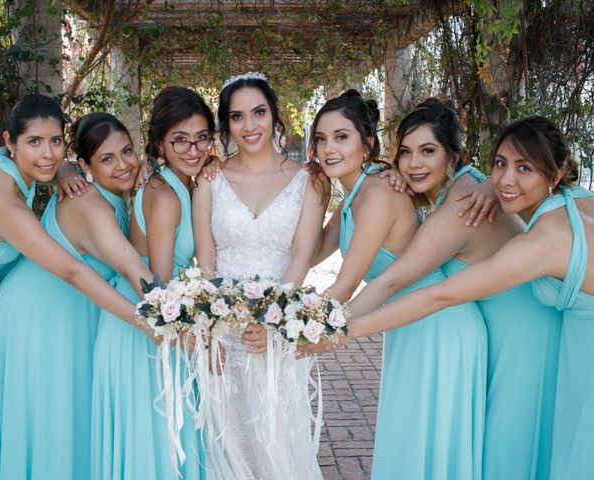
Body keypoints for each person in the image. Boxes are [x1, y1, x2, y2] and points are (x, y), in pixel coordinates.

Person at [306, 116, 593, 479]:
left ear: (453, 154)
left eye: (428, 151)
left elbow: (415, 289)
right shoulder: (549, 197)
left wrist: (341, 330)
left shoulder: (468, 209)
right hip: (526, 338)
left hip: (526, 347)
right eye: (405, 153)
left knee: (514, 453)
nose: (413, 163)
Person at [0, 95, 148, 480]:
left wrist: (63, 171)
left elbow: (49, 163)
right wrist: (147, 321)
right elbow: (73, 272)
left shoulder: (11, 163)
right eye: (34, 142)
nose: (47, 153)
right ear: (10, 142)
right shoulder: (1, 200)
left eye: (55, 141)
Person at [306, 94, 488, 478]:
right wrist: (316, 198)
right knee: (407, 436)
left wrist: (299, 331)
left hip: (439, 323)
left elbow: (344, 286)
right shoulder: (356, 194)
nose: (328, 148)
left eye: (341, 137)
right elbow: (312, 254)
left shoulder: (379, 193)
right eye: (320, 139)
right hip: (408, 324)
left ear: (368, 143)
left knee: (425, 439)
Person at [192, 72, 324, 479]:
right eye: (237, 117)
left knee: (277, 435)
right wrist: (212, 326)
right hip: (223, 331)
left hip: (276, 328)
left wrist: (274, 320)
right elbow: (206, 257)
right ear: (225, 125)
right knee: (229, 436)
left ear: (274, 115)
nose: (249, 126)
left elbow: (303, 253)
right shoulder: (209, 179)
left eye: (258, 112)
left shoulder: (309, 180)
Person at [91, 87, 213, 480]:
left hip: (155, 313)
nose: (192, 149)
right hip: (148, 320)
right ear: (160, 142)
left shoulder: (178, 180)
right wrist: (194, 335)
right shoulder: (165, 196)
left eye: (202, 138)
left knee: (162, 432)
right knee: (158, 433)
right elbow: (159, 285)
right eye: (180, 139)